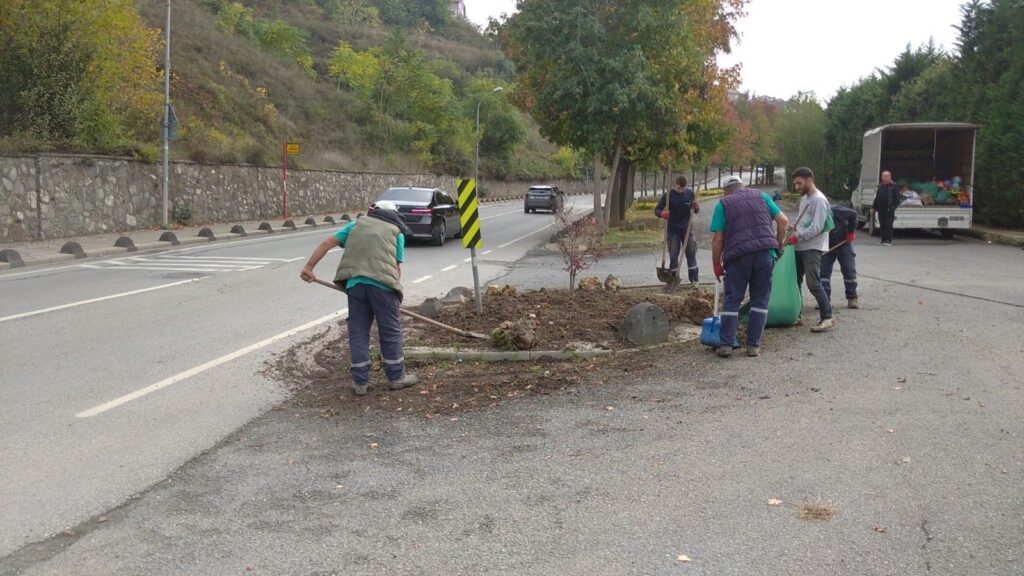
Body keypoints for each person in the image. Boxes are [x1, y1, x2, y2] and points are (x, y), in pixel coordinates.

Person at [300, 201, 418, 396]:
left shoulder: (354, 225)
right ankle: (396, 377)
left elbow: (326, 243)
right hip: (383, 287)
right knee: (390, 330)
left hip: (355, 285)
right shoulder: (396, 232)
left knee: (358, 331)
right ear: (393, 215)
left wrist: (309, 268)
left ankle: (360, 383)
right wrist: (393, 296)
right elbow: (396, 268)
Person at [710, 175, 789, 358]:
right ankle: (753, 346)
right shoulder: (762, 196)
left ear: (726, 191)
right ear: (742, 186)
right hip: (765, 253)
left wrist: (716, 263)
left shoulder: (724, 203)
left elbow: (718, 238)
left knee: (732, 299)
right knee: (760, 299)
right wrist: (778, 245)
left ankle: (726, 345)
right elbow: (783, 221)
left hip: (738, 256)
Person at [787, 167, 835, 333]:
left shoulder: (819, 200)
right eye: (795, 184)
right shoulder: (805, 200)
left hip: (812, 247)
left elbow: (817, 227)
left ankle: (827, 317)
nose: (797, 187)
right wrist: (793, 229)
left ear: (809, 180)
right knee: (796, 281)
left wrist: (798, 236)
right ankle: (797, 315)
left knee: (813, 283)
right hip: (800, 246)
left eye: (799, 183)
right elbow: (804, 222)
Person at [654, 176, 700, 290]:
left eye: (682, 189)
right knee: (674, 255)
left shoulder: (690, 194)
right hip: (672, 229)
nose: (680, 190)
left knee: (691, 253)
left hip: (687, 228)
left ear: (686, 187)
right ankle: (673, 280)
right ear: (675, 185)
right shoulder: (668, 195)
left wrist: (696, 207)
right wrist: (662, 214)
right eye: (678, 188)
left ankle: (694, 280)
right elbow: (657, 209)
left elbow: (696, 210)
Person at [821, 204, 859, 309]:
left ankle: (852, 297)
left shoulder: (836, 210)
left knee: (849, 270)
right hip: (826, 245)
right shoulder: (814, 216)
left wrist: (851, 231)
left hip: (844, 242)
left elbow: (853, 214)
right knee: (823, 273)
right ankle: (824, 300)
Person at [871, 170, 900, 246]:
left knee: (888, 225)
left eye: (886, 177)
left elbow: (897, 199)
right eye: (883, 176)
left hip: (889, 209)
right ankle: (883, 240)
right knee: (882, 224)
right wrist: (873, 207)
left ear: (890, 177)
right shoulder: (880, 186)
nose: (884, 178)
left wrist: (893, 207)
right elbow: (877, 198)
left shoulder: (894, 186)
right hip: (881, 209)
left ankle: (888, 240)